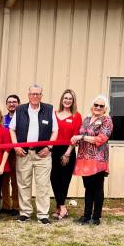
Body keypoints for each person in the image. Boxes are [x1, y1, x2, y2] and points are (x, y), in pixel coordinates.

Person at [9, 84, 58, 224]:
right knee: (24, 184)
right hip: (24, 153)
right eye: (32, 94)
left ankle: (43, 215)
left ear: (42, 95)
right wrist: (16, 146)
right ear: (28, 95)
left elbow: (55, 131)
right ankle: (25, 213)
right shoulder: (20, 109)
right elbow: (11, 129)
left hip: (43, 154)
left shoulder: (49, 109)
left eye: (38, 94)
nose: (35, 96)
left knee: (42, 185)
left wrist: (49, 147)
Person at [71, 95, 113, 226]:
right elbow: (81, 137)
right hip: (84, 158)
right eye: (96, 105)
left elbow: (101, 139)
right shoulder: (87, 119)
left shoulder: (107, 120)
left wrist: (81, 137)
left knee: (97, 187)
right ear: (92, 106)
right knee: (88, 187)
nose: (98, 108)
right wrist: (77, 140)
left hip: (98, 159)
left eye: (101, 106)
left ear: (105, 108)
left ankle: (96, 217)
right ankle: (86, 215)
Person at [51, 89, 82, 220]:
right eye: (65, 98)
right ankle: (62, 206)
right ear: (62, 100)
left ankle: (61, 207)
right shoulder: (54, 114)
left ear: (73, 101)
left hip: (68, 150)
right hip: (54, 150)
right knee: (54, 178)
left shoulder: (76, 116)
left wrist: (67, 153)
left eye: (70, 98)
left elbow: (75, 136)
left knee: (64, 180)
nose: (67, 100)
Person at [1, 94, 20, 215]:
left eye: (14, 102)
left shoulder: (22, 118)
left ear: (18, 103)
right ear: (6, 104)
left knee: (15, 180)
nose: (12, 104)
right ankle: (6, 206)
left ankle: (16, 206)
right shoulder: (2, 119)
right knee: (4, 180)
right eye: (9, 102)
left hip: (17, 153)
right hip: (4, 153)